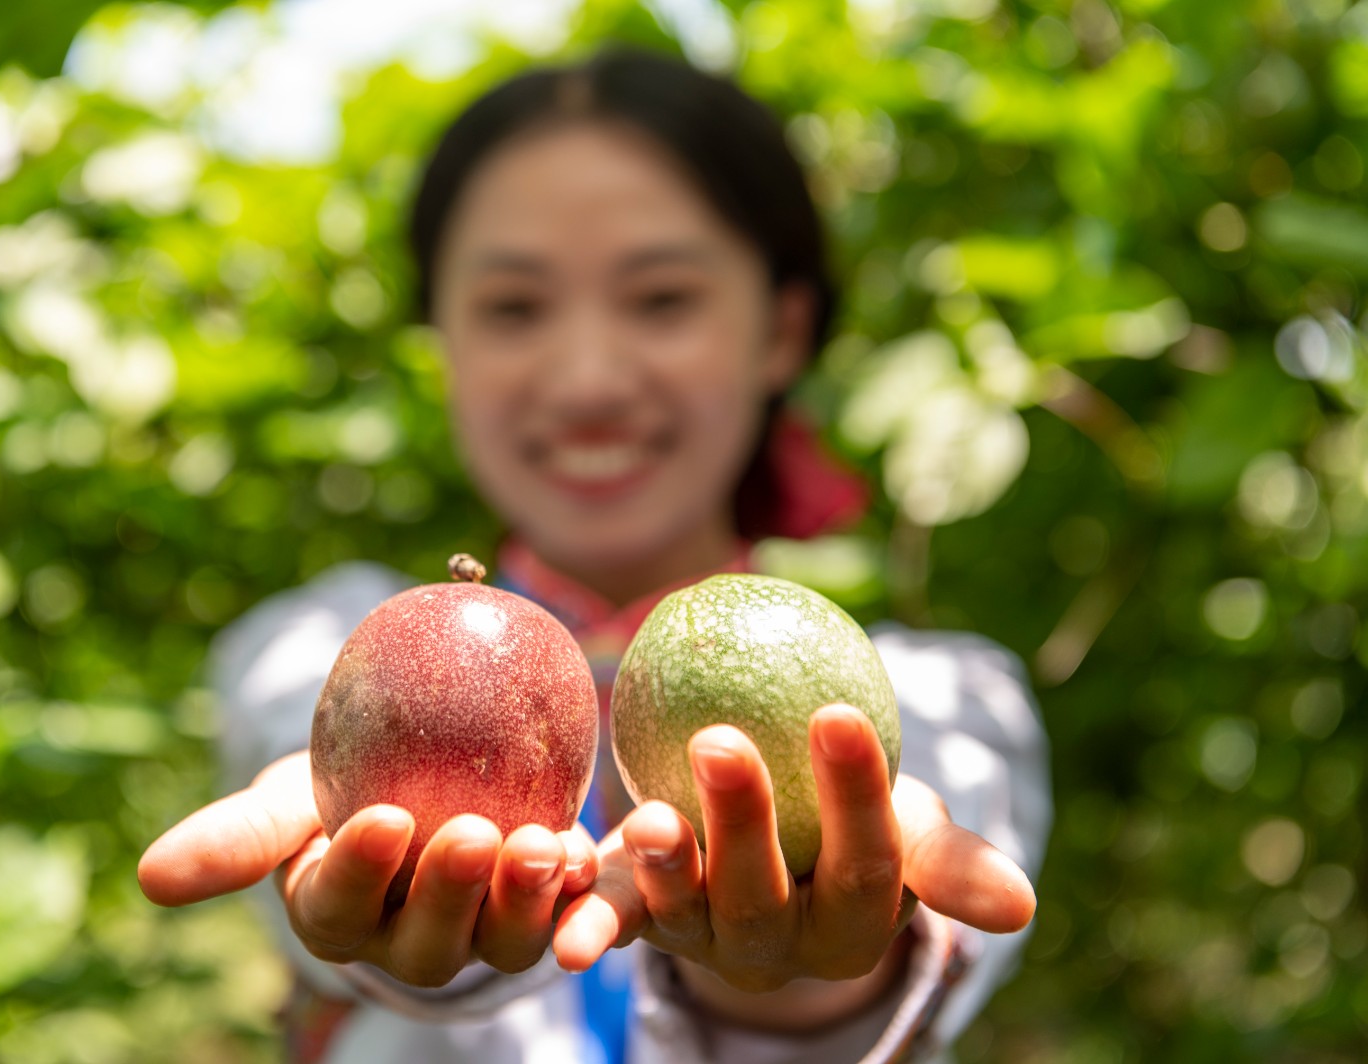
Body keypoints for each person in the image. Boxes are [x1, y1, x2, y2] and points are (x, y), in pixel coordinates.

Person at [138, 49, 1050, 1064]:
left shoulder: (943, 701)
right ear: (440, 340)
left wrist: (797, 969)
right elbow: (341, 831)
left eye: (661, 298)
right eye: (514, 307)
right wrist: (400, 891)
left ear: (783, 328)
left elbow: (905, 911)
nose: (586, 374)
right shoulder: (313, 643)